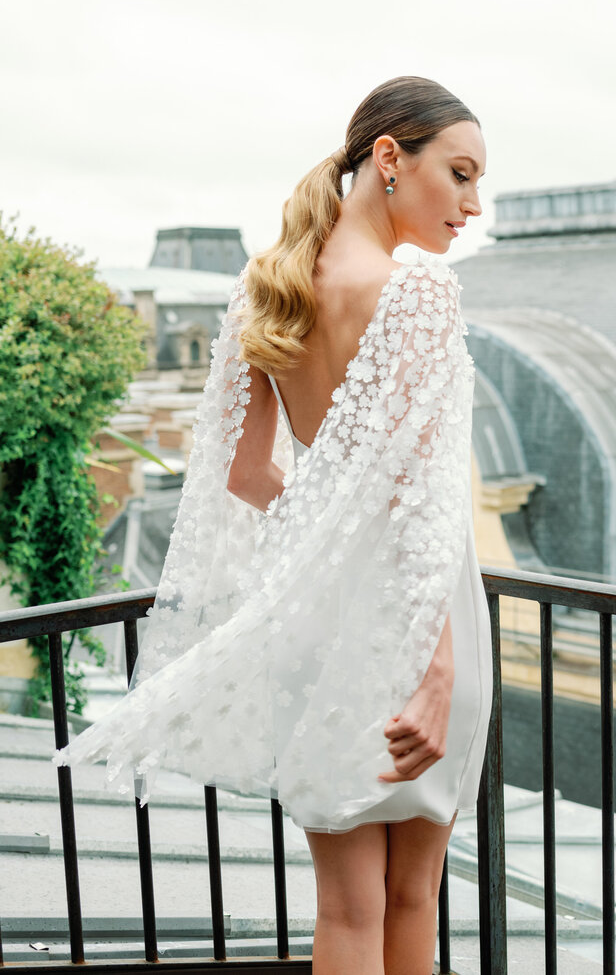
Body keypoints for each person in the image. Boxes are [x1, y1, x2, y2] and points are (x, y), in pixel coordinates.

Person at [55, 76, 492, 975]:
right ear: (388, 159)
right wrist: (438, 671)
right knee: (414, 899)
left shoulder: (269, 284)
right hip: (422, 627)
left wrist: (326, 535)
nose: (471, 206)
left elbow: (247, 475)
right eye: (459, 174)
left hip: (317, 621)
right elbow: (427, 499)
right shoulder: (420, 294)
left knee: (344, 910)